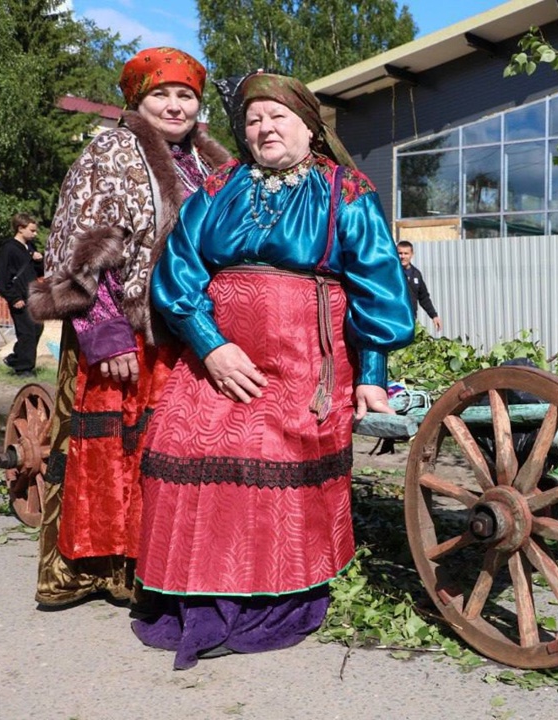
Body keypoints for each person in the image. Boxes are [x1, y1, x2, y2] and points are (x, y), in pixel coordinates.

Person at [131, 72, 414, 670]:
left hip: (303, 362)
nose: (264, 129)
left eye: (277, 117)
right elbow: (177, 270)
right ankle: (198, 597)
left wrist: (371, 372)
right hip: (219, 357)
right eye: (254, 120)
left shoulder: (346, 191)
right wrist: (210, 346)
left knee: (274, 452)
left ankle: (273, 593)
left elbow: (378, 286)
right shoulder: (218, 187)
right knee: (177, 441)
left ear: (309, 126)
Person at [26, 47, 231, 608]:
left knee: (164, 451)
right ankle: (101, 569)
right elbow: (82, 238)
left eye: (184, 95)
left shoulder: (208, 162)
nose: (174, 105)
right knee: (112, 454)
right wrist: (104, 327)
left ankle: (159, 563)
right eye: (160, 94)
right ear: (137, 100)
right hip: (123, 326)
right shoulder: (112, 150)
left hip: (181, 330)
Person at [0, 213, 44, 376]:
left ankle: (16, 358)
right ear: (20, 228)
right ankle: (24, 368)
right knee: (27, 331)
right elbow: (1, 277)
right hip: (19, 297)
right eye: (32, 230)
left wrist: (39, 260)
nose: (35, 234)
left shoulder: (30, 248)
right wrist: (13, 298)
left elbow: (37, 272)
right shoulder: (9, 248)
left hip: (32, 295)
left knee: (37, 328)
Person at [397, 240, 442, 333]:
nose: (403, 256)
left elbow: (424, 297)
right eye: (400, 253)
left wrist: (434, 315)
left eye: (406, 253)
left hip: (410, 319)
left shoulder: (416, 274)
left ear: (412, 254)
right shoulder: (391, 272)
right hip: (393, 319)